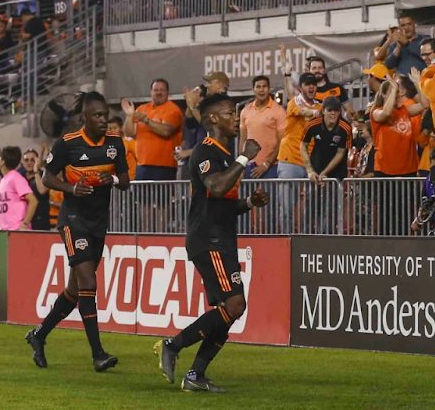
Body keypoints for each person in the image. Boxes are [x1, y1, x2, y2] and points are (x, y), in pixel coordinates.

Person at [155, 93, 269, 393]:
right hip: (209, 238)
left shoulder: (225, 156)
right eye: (230, 113)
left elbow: (223, 203)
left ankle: (195, 375)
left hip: (222, 238)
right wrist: (244, 157)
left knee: (231, 309)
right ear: (214, 119)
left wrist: (250, 202)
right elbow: (216, 187)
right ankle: (173, 345)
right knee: (234, 304)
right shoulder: (205, 150)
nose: (236, 118)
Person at [29, 92, 130, 371]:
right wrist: (71, 188)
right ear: (84, 118)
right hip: (73, 221)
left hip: (99, 222)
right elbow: (47, 177)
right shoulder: (67, 143)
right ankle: (98, 354)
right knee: (88, 283)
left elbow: (125, 180)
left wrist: (114, 179)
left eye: (105, 115)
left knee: (74, 291)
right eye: (97, 116)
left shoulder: (115, 143)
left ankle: (39, 335)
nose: (103, 120)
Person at [124, 78, 183, 180]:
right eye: (156, 90)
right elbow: (129, 133)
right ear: (151, 92)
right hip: (142, 165)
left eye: (162, 90)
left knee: (162, 192)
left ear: (168, 92)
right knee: (141, 191)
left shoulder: (173, 109)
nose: (159, 93)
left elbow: (166, 131)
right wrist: (129, 116)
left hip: (165, 166)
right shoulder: (142, 108)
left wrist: (145, 120)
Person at [0, 147, 37, 231]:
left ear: (3, 162)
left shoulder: (16, 178)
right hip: (5, 230)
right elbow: (5, 210)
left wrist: (25, 224)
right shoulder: (3, 180)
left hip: (17, 229)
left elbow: (33, 201)